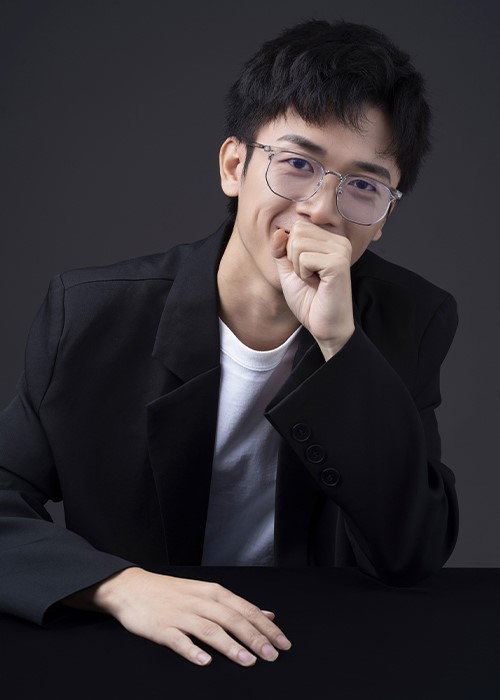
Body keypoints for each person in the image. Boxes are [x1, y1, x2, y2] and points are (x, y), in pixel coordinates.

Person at [0, 19, 458, 667]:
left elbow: (410, 552)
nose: (322, 210)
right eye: (297, 165)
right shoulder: (93, 311)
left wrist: (341, 344)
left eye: (364, 185)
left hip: (310, 645)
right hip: (136, 646)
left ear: (383, 218)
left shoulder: (410, 318)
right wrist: (119, 586)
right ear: (235, 166)